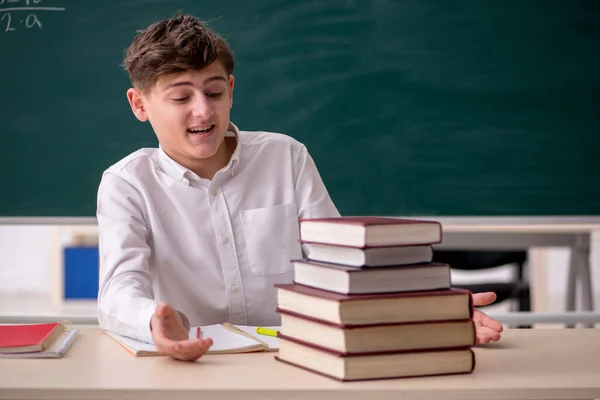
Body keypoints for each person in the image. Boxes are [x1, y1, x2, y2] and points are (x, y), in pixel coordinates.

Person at [96, 14, 503, 362]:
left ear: (232, 91)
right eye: (181, 97)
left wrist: (425, 308)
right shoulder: (128, 184)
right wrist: (154, 321)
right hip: (195, 365)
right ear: (140, 105)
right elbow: (119, 289)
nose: (203, 110)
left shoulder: (284, 157)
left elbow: (341, 264)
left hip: (296, 357)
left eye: (215, 92)